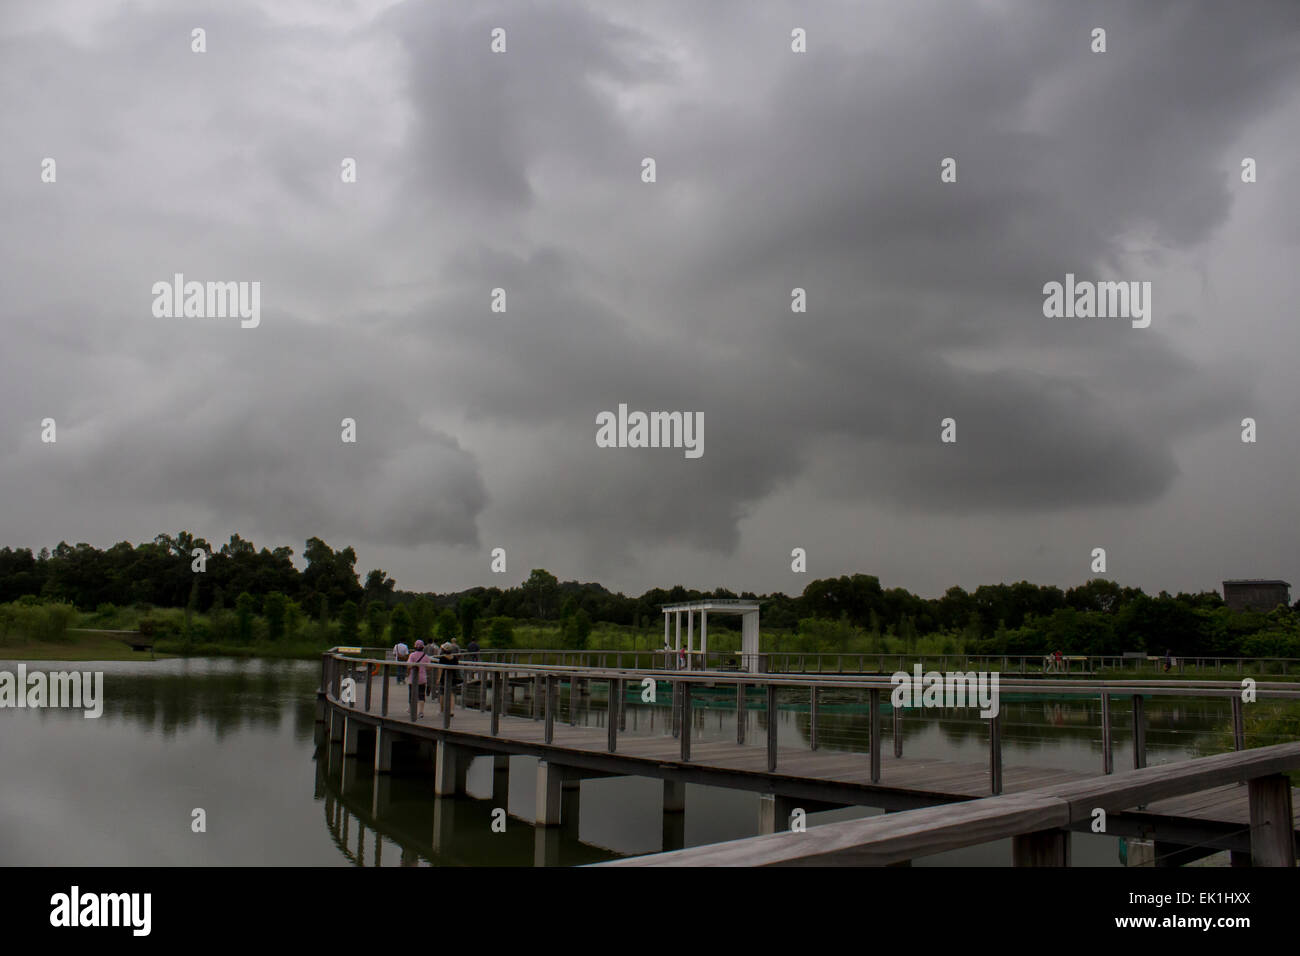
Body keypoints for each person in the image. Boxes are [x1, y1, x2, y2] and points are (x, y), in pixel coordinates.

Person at [407, 640, 430, 718]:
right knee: (421, 694)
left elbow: (409, 666)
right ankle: (421, 711)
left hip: (413, 677)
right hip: (422, 678)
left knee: (411, 694)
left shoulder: (412, 655)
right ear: (423, 647)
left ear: (415, 646)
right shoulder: (426, 656)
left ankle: (411, 709)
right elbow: (429, 667)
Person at [438, 641, 458, 718]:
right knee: (452, 694)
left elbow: (440, 669)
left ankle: (442, 710)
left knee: (442, 693)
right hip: (453, 677)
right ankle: (451, 710)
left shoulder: (442, 658)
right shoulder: (455, 658)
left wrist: (438, 678)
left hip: (444, 678)